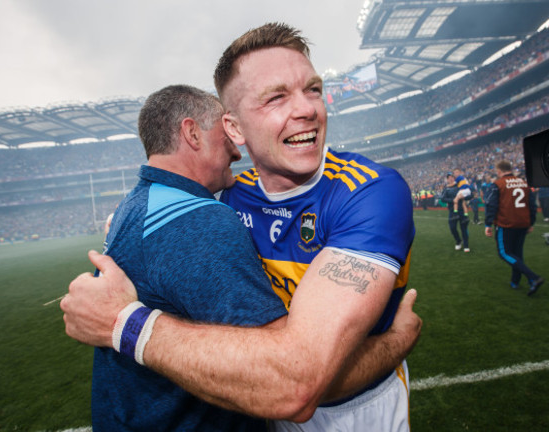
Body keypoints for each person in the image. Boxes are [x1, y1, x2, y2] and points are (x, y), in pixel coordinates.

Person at [61, 22, 420, 431]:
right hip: (261, 406)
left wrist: (393, 346)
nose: (307, 109)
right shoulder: (231, 197)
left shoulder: (369, 192)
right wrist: (394, 342)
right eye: (276, 98)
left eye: (313, 89)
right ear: (233, 128)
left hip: (355, 413)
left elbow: (300, 383)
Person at [89, 84, 289, 431]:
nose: (237, 151)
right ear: (192, 133)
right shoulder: (199, 219)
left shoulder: (133, 205)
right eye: (226, 133)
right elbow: (281, 375)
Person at [484, 160, 544, 296]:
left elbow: (491, 205)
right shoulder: (524, 183)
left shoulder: (498, 184)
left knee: (504, 253)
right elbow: (532, 205)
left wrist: (488, 224)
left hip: (506, 223)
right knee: (517, 253)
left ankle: (533, 277)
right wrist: (531, 223)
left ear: (499, 171)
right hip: (522, 223)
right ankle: (515, 281)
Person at [441, 173, 470, 252]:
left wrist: (463, 197)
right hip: (452, 211)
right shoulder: (446, 189)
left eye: (452, 177)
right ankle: (458, 241)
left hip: (462, 210)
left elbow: (469, 194)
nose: (450, 178)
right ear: (447, 179)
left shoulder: (460, 186)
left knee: (463, 228)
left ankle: (466, 245)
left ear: (454, 178)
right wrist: (453, 200)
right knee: (452, 228)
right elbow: (442, 199)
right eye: (449, 177)